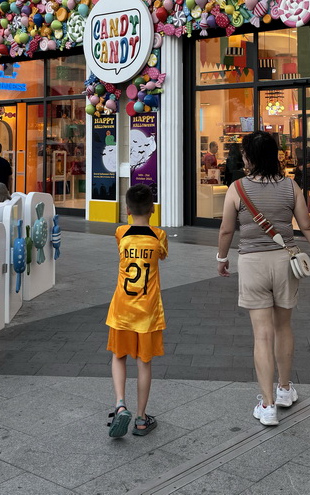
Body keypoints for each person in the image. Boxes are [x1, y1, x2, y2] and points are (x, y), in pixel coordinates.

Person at [216, 131, 310, 427]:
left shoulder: (237, 188)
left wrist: (221, 259)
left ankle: (267, 405)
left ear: (249, 157)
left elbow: (226, 231)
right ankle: (283, 390)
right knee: (283, 327)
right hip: (285, 263)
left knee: (262, 334)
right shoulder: (289, 186)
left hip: (252, 263)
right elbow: (306, 225)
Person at [104, 184, 167, 438]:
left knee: (119, 357)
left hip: (121, 309)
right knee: (144, 364)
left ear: (127, 209)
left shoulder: (121, 232)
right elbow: (162, 256)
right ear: (152, 209)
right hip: (148, 312)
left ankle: (120, 405)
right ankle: (141, 419)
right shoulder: (158, 236)